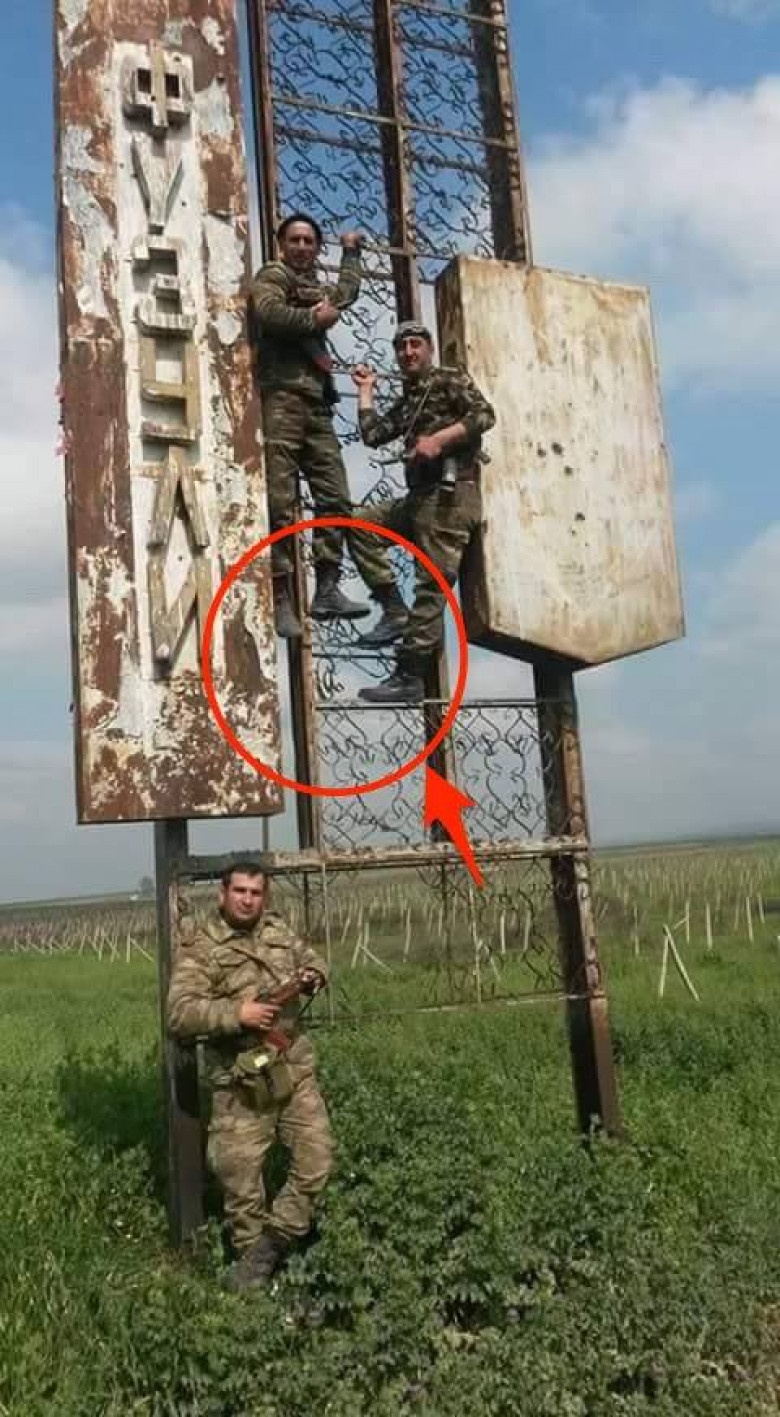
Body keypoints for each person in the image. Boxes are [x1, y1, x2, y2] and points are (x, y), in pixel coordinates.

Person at [167, 863, 333, 1292]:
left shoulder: (278, 930)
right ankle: (258, 1285)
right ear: (222, 894)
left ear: (265, 897)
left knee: (316, 1161)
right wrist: (237, 1014)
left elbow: (312, 958)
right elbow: (179, 1013)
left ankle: (273, 1247)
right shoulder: (202, 946)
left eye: (256, 893)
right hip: (239, 1083)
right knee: (240, 1185)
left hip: (292, 1070)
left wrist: (313, 976)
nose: (247, 899)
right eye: (239, 891)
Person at [249, 212, 407, 642]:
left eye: (309, 241)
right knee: (281, 502)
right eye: (295, 240)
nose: (302, 247)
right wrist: (313, 321)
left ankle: (327, 587)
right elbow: (269, 314)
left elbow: (345, 294)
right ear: (282, 244)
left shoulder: (314, 286)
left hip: (317, 405)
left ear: (318, 248)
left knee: (335, 497)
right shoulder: (273, 275)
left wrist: (351, 251)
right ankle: (282, 595)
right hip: (283, 399)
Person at [351, 321, 496, 703]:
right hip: (419, 498)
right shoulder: (411, 399)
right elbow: (374, 434)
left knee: (431, 587)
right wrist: (365, 391)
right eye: (402, 348)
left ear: (429, 348)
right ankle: (393, 609)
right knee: (360, 526)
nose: (408, 353)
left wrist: (439, 440)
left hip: (450, 496)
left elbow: (485, 415)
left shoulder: (448, 379)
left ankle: (410, 675)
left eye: (415, 345)